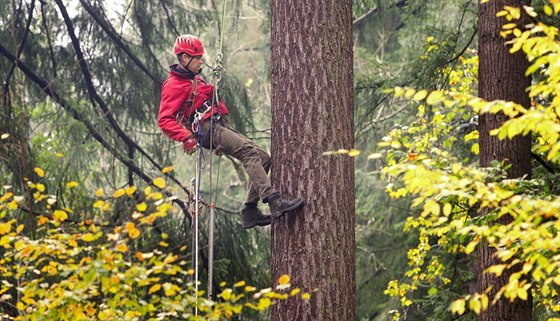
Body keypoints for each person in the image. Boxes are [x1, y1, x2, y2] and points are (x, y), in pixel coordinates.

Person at [158, 35, 304, 229]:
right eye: (197, 57)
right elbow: (164, 119)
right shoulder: (173, 85)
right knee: (248, 152)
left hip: (217, 126)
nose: (202, 61)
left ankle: (249, 211)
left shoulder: (194, 80)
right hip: (207, 128)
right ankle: (274, 200)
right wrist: (186, 137)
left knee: (263, 157)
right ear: (184, 58)